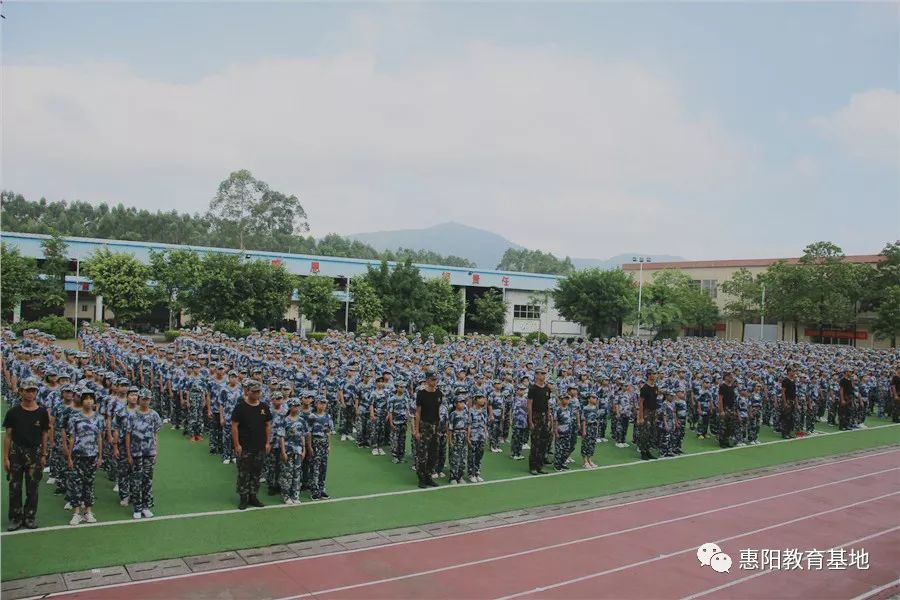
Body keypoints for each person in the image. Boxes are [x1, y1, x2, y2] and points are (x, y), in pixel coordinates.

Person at [3, 378, 51, 530]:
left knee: (32, 487)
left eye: (33, 390)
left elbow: (44, 434)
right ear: (21, 392)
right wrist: (5, 458)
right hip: (16, 453)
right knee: (14, 487)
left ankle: (29, 516)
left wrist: (44, 454)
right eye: (27, 390)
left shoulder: (42, 412)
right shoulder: (13, 412)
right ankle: (16, 518)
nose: (30, 393)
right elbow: (8, 436)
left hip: (35, 453)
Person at [231, 380, 272, 510]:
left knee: (256, 472)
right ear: (247, 391)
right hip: (245, 446)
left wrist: (267, 442)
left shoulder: (264, 407)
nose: (257, 394)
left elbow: (268, 425)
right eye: (254, 391)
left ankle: (253, 496)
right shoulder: (240, 407)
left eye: (258, 391)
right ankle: (243, 497)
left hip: (259, 445)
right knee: (244, 473)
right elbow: (234, 426)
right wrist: (237, 445)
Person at [66, 388, 104, 525]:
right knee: (76, 484)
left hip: (92, 455)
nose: (89, 401)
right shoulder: (75, 417)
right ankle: (76, 513)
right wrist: (69, 457)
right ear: (81, 401)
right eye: (86, 399)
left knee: (89, 484)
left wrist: (100, 456)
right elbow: (72, 437)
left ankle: (88, 512)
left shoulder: (99, 418)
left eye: (91, 399)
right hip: (78, 455)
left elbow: (99, 437)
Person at [125, 389, 161, 519]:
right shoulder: (132, 415)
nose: (145, 401)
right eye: (143, 399)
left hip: (149, 452)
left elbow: (155, 434)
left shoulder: (154, 415)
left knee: (147, 480)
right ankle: (137, 507)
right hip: (136, 453)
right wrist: (129, 454)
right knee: (136, 481)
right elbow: (128, 435)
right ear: (139, 399)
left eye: (147, 399)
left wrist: (156, 452)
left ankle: (146, 507)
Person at [414, 371, 442, 489]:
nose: (435, 382)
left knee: (433, 453)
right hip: (424, 425)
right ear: (427, 380)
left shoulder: (439, 393)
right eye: (432, 379)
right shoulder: (421, 394)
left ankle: (428, 476)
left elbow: (438, 411)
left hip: (435, 425)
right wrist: (417, 430)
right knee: (422, 454)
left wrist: (439, 427)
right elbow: (418, 413)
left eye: (436, 379)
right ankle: (421, 479)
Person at [277, 398, 309, 504]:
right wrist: (283, 452)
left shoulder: (302, 420)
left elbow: (303, 435)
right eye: (294, 406)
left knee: (297, 473)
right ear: (290, 407)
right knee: (287, 473)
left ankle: (295, 495)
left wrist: (304, 449)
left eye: (298, 405)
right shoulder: (285, 420)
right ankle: (286, 495)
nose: (297, 408)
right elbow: (281, 437)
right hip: (288, 450)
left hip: (298, 451)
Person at [527, 367, 552, 475]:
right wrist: (530, 421)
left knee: (543, 442)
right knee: (535, 443)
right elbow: (529, 405)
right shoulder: (533, 388)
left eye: (544, 373)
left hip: (544, 416)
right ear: (537, 375)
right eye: (541, 373)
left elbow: (547, 404)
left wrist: (548, 418)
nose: (543, 375)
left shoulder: (547, 388)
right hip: (535, 416)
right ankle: (533, 466)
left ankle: (540, 466)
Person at [308, 397, 333, 500]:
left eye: (324, 403)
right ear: (316, 404)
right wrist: (309, 446)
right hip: (315, 443)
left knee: (323, 467)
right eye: (321, 403)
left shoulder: (328, 416)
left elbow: (328, 432)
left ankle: (321, 489)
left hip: (324, 444)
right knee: (315, 467)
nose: (323, 405)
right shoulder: (312, 416)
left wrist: (329, 445)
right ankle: (314, 490)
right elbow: (309, 432)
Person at [638, 371, 660, 460]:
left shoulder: (655, 387)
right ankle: (643, 452)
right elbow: (641, 403)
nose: (655, 375)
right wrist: (641, 417)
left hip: (654, 411)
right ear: (649, 375)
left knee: (652, 432)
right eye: (653, 374)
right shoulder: (645, 388)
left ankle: (647, 450)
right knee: (645, 433)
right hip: (646, 412)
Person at [718, 372, 738, 448]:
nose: (731, 378)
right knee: (723, 426)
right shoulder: (722, 386)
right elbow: (720, 399)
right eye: (730, 377)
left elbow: (733, 399)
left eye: (732, 377)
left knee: (730, 426)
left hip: (731, 408)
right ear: (726, 377)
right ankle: (722, 442)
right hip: (725, 408)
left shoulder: (732, 386)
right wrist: (721, 410)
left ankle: (727, 441)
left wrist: (734, 410)